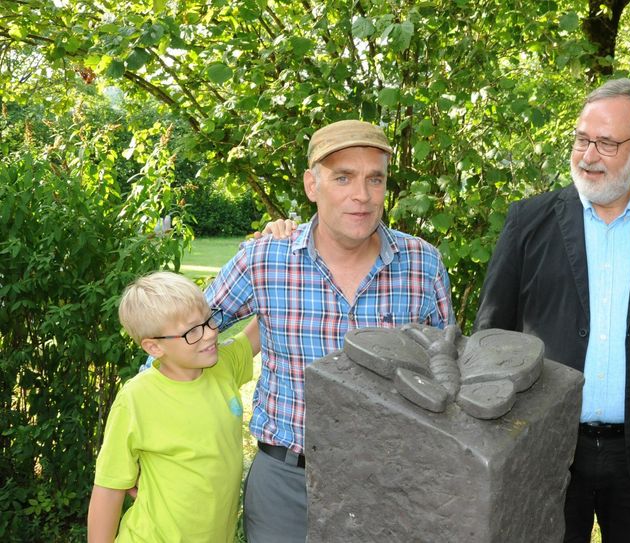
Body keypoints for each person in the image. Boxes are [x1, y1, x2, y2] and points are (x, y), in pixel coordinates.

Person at [473, 78, 630, 542]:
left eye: (606, 143)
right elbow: (490, 339)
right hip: (545, 452)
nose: (588, 155)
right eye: (581, 139)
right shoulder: (528, 222)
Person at [206, 119, 454, 542]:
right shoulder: (265, 260)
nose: (362, 195)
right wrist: (145, 427)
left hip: (392, 484)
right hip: (286, 485)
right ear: (311, 185)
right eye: (343, 178)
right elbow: (184, 332)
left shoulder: (422, 265)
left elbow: (447, 372)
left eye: (374, 179)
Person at [87, 271, 260, 542]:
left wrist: (281, 246)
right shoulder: (136, 398)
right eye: (192, 331)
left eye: (209, 320)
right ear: (154, 347)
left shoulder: (222, 367)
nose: (210, 334)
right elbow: (109, 487)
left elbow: (272, 316)